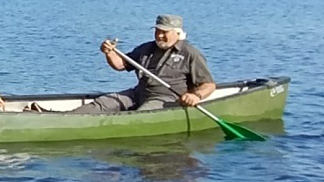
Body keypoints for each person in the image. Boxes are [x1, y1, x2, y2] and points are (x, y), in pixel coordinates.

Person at [69, 14, 215, 113]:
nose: (159, 35)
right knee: (104, 102)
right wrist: (109, 52)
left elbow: (208, 85)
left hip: (167, 100)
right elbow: (120, 65)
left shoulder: (190, 53)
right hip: (138, 93)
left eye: (165, 32)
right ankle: (64, 118)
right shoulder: (146, 48)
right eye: (157, 31)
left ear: (177, 33)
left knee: (144, 112)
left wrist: (196, 96)